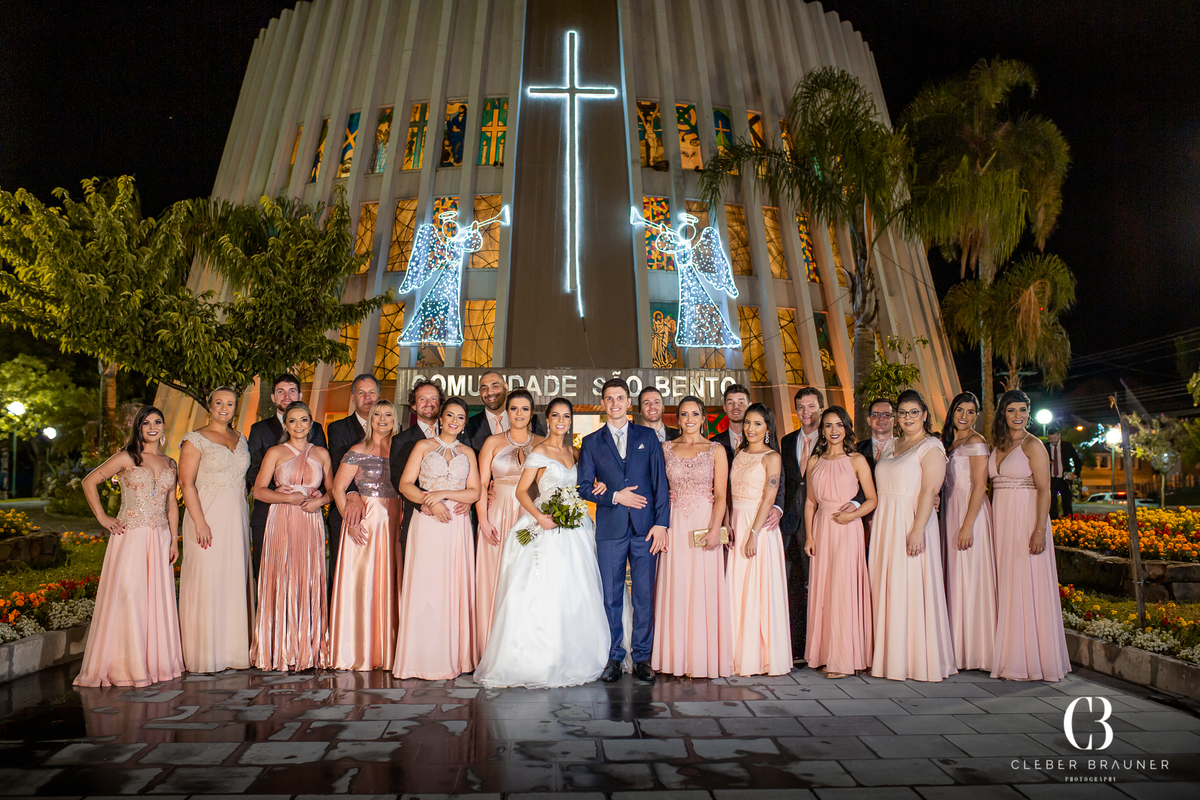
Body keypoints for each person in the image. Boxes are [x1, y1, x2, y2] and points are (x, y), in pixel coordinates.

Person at [475, 397, 611, 688]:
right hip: (546, 524)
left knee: (574, 590)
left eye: (566, 416)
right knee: (544, 589)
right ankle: (539, 657)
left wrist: (598, 485)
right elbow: (522, 492)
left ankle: (576, 652)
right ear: (547, 420)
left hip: (576, 528)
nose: (561, 421)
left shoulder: (575, 452)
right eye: (556, 416)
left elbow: (584, 485)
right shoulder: (539, 451)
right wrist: (540, 516)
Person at [74, 406, 184, 687]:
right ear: (138, 428)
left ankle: (155, 663)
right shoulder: (126, 457)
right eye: (146, 423)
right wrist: (103, 517)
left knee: (155, 599)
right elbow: (89, 482)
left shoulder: (171, 463)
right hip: (131, 537)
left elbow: (172, 504)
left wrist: (174, 540)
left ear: (163, 427)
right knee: (130, 597)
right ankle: (127, 665)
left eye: (157, 422)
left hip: (159, 538)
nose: (152, 427)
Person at [578, 378, 671, 684]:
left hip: (646, 530)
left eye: (620, 398)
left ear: (628, 403)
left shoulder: (647, 437)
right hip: (610, 529)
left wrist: (662, 524)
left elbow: (660, 485)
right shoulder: (591, 443)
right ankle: (614, 656)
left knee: (644, 596)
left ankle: (642, 657)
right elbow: (583, 487)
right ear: (602, 404)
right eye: (609, 398)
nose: (615, 403)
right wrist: (615, 496)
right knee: (611, 597)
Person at [868, 389, 956, 682]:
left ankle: (916, 659)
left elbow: (930, 491)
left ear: (925, 415)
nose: (907, 418)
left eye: (913, 412)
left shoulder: (931, 447)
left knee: (909, 586)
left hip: (912, 521)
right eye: (902, 413)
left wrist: (917, 530)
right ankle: (890, 656)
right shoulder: (891, 445)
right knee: (888, 586)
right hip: (885, 524)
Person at [394, 397, 481, 679]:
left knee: (453, 585)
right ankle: (420, 658)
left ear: (465, 423)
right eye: (450, 415)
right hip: (428, 523)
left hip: (456, 527)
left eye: (460, 417)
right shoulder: (422, 446)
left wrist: (444, 495)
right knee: (426, 585)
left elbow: (475, 492)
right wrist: (430, 503)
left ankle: (453, 657)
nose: (454, 421)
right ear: (441, 418)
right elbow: (405, 484)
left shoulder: (468, 452)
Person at [990, 390, 1071, 682]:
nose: (1017, 416)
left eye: (1022, 410)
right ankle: (1005, 651)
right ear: (1003, 413)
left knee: (1025, 584)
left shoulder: (1033, 444)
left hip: (1026, 520)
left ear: (1029, 413)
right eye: (1011, 410)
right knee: (1005, 584)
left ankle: (1026, 660)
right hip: (1000, 520)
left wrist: (1039, 530)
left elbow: (1045, 490)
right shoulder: (997, 444)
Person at [250, 401, 334, 671]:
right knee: (282, 577)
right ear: (285, 425)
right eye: (293, 421)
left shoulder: (322, 453)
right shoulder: (275, 452)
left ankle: (307, 649)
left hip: (310, 520)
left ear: (312, 423)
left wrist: (319, 502)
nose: (299, 426)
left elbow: (334, 490)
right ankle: (278, 649)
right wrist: (290, 499)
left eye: (304, 420)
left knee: (307, 578)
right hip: (282, 519)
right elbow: (259, 491)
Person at [652, 396, 731, 678]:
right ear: (678, 418)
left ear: (703, 417)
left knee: (702, 586)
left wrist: (714, 529)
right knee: (675, 584)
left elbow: (721, 494)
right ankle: (675, 657)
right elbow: (656, 488)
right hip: (674, 521)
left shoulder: (716, 450)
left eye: (694, 414)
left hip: (703, 521)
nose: (688, 419)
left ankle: (702, 657)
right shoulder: (665, 448)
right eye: (683, 414)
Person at [178, 387, 253, 674]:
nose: (225, 407)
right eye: (219, 402)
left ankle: (232, 652)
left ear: (236, 407)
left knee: (232, 580)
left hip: (235, 518)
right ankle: (204, 653)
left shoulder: (240, 438)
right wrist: (200, 522)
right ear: (210, 406)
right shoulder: (195, 439)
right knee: (207, 580)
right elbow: (186, 483)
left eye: (230, 403)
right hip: (206, 516)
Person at [327, 400, 401, 671]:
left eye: (388, 414)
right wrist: (350, 518)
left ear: (396, 418)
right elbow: (338, 488)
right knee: (363, 583)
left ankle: (386, 649)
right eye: (377, 414)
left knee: (389, 582)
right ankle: (357, 651)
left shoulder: (401, 448)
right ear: (370, 419)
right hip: (365, 523)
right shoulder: (357, 449)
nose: (382, 418)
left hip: (394, 521)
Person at [804, 406, 876, 678]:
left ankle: (843, 659)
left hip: (847, 529)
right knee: (824, 590)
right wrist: (810, 536)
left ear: (846, 428)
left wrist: (852, 514)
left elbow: (872, 499)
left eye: (839, 425)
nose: (834, 431)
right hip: (822, 528)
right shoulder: (814, 462)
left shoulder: (857, 460)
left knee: (843, 590)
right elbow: (810, 502)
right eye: (828, 426)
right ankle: (825, 653)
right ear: (822, 430)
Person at [474, 388, 542, 656]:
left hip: (529, 516)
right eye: (514, 408)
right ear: (507, 412)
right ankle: (491, 645)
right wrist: (483, 520)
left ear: (532, 413)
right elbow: (480, 484)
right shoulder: (492, 442)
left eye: (524, 409)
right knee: (496, 576)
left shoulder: (542, 443)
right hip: (497, 515)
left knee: (528, 577)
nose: (519, 414)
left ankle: (525, 645)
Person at [728, 403, 790, 676]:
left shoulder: (772, 457)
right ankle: (735, 652)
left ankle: (761, 656)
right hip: (737, 521)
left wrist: (753, 533)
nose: (751, 428)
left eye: (757, 424)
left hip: (759, 527)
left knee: (758, 588)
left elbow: (769, 497)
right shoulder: (738, 454)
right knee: (737, 589)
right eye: (748, 423)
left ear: (767, 428)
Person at [246, 374, 327, 579]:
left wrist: (318, 494)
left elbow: (324, 472)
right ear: (273, 397)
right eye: (280, 391)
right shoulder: (259, 429)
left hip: (307, 513)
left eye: (292, 390)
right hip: (270, 512)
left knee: (304, 573)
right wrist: (277, 491)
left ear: (299, 395)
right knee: (270, 573)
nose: (286, 395)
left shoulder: (316, 429)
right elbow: (254, 469)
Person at [940, 392, 998, 672]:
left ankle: (976, 651)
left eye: (971, 412)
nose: (964, 416)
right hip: (951, 510)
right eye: (960, 410)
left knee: (971, 576)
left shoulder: (976, 442)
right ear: (952, 412)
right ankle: (956, 646)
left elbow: (980, 485)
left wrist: (967, 525)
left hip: (969, 512)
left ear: (977, 415)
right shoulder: (949, 442)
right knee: (954, 576)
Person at [326, 374, 382, 578]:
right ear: (352, 398)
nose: (367, 398)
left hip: (381, 515)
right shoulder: (337, 428)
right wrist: (351, 494)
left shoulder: (392, 429)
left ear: (379, 396)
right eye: (361, 393)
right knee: (344, 573)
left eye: (372, 392)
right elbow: (336, 463)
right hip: (347, 510)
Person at [460, 370, 545, 451]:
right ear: (479, 393)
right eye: (484, 388)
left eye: (495, 386)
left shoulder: (530, 420)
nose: (490, 392)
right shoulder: (469, 426)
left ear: (506, 387)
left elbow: (543, 454)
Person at [1044, 427, 1079, 519]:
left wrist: (1076, 474)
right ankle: (1054, 522)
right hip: (1050, 478)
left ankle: (1068, 521)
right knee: (1052, 503)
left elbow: (1077, 460)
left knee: (1067, 502)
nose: (1053, 441)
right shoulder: (1045, 446)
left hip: (1064, 478)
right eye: (1050, 439)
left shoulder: (1066, 446)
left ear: (1059, 436)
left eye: (1054, 438)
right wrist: (1047, 462)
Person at [856, 397, 895, 472]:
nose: (881, 418)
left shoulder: (904, 448)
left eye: (886, 415)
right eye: (876, 415)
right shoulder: (856, 450)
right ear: (869, 420)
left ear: (895, 421)